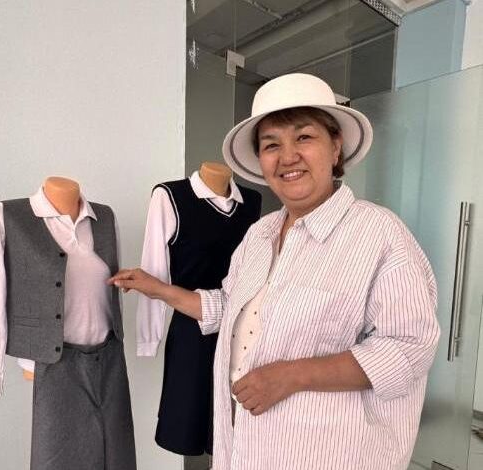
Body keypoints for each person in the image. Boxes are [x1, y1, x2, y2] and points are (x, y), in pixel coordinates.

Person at [109, 73, 440, 470]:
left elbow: (409, 347)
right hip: (246, 447)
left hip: (329, 456)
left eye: (304, 137)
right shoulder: (260, 234)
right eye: (271, 145)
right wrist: (158, 288)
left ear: (335, 147)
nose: (287, 156)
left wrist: (292, 376)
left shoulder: (379, 234)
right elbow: (229, 306)